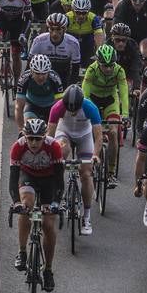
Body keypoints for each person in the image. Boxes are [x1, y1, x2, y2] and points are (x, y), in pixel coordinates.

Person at [10, 116, 63, 290]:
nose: (33, 143)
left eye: (37, 139)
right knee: (26, 206)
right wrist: (16, 202)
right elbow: (13, 179)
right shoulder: (18, 147)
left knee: (48, 224)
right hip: (28, 177)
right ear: (24, 136)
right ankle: (22, 251)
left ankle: (48, 270)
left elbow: (60, 180)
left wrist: (55, 202)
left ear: (44, 137)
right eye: (30, 138)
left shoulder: (54, 146)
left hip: (49, 180)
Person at [48, 85, 101, 235]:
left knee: (86, 174)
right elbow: (50, 136)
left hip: (84, 135)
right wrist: (51, 158)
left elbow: (98, 136)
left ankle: (87, 216)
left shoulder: (90, 107)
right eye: (69, 109)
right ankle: (56, 193)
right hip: (64, 133)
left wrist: (95, 155)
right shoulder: (57, 107)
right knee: (60, 154)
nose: (72, 112)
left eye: (75, 110)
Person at [82, 44, 128, 186]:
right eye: (104, 66)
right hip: (93, 101)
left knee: (113, 132)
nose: (108, 69)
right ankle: (91, 159)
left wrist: (125, 114)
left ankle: (111, 172)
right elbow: (85, 94)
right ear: (98, 62)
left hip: (110, 101)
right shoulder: (91, 70)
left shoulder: (119, 71)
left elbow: (124, 93)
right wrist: (85, 113)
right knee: (93, 132)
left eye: (111, 65)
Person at [28, 12, 81, 86]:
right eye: (52, 29)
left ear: (65, 29)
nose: (54, 33)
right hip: (43, 75)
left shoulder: (73, 43)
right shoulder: (39, 40)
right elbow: (29, 66)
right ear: (48, 28)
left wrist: (70, 87)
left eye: (58, 29)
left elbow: (75, 69)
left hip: (63, 75)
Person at [15, 53, 63, 128]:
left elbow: (59, 105)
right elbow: (19, 107)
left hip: (51, 107)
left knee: (52, 133)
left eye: (44, 73)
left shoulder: (54, 78)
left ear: (48, 72)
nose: (41, 77)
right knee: (30, 129)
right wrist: (21, 131)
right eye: (37, 73)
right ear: (31, 71)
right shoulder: (24, 78)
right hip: (32, 106)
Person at [66, 0, 105, 67]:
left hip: (87, 39)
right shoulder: (67, 18)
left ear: (88, 11)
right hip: (72, 38)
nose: (81, 16)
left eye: (84, 13)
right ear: (73, 11)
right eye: (78, 12)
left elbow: (98, 35)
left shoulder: (94, 18)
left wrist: (99, 52)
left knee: (87, 59)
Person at [111, 22, 143, 94]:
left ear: (128, 39)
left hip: (128, 71)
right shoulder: (107, 45)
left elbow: (136, 68)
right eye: (117, 40)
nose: (120, 43)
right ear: (112, 38)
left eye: (124, 40)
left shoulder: (133, 46)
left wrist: (136, 87)